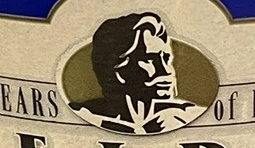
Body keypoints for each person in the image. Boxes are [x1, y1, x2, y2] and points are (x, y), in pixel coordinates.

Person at [69, 12, 202, 135]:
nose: (166, 71)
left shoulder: (189, 116)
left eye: (166, 59)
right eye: (149, 60)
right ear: (119, 71)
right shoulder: (80, 117)